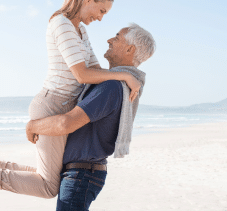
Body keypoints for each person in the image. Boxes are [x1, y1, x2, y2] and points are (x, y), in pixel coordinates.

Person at [0, 0, 141, 199]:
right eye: (101, 10)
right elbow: (83, 74)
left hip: (64, 105)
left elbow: (96, 68)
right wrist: (126, 75)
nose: (101, 17)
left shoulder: (81, 31)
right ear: (88, 0)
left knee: (47, 177)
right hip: (51, 104)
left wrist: (122, 76)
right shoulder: (61, 24)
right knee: (49, 187)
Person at [26, 24, 156, 210]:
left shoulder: (111, 86)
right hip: (84, 173)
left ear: (130, 49)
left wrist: (32, 126)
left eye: (117, 37)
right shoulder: (118, 83)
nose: (109, 40)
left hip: (81, 175)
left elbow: (66, 123)